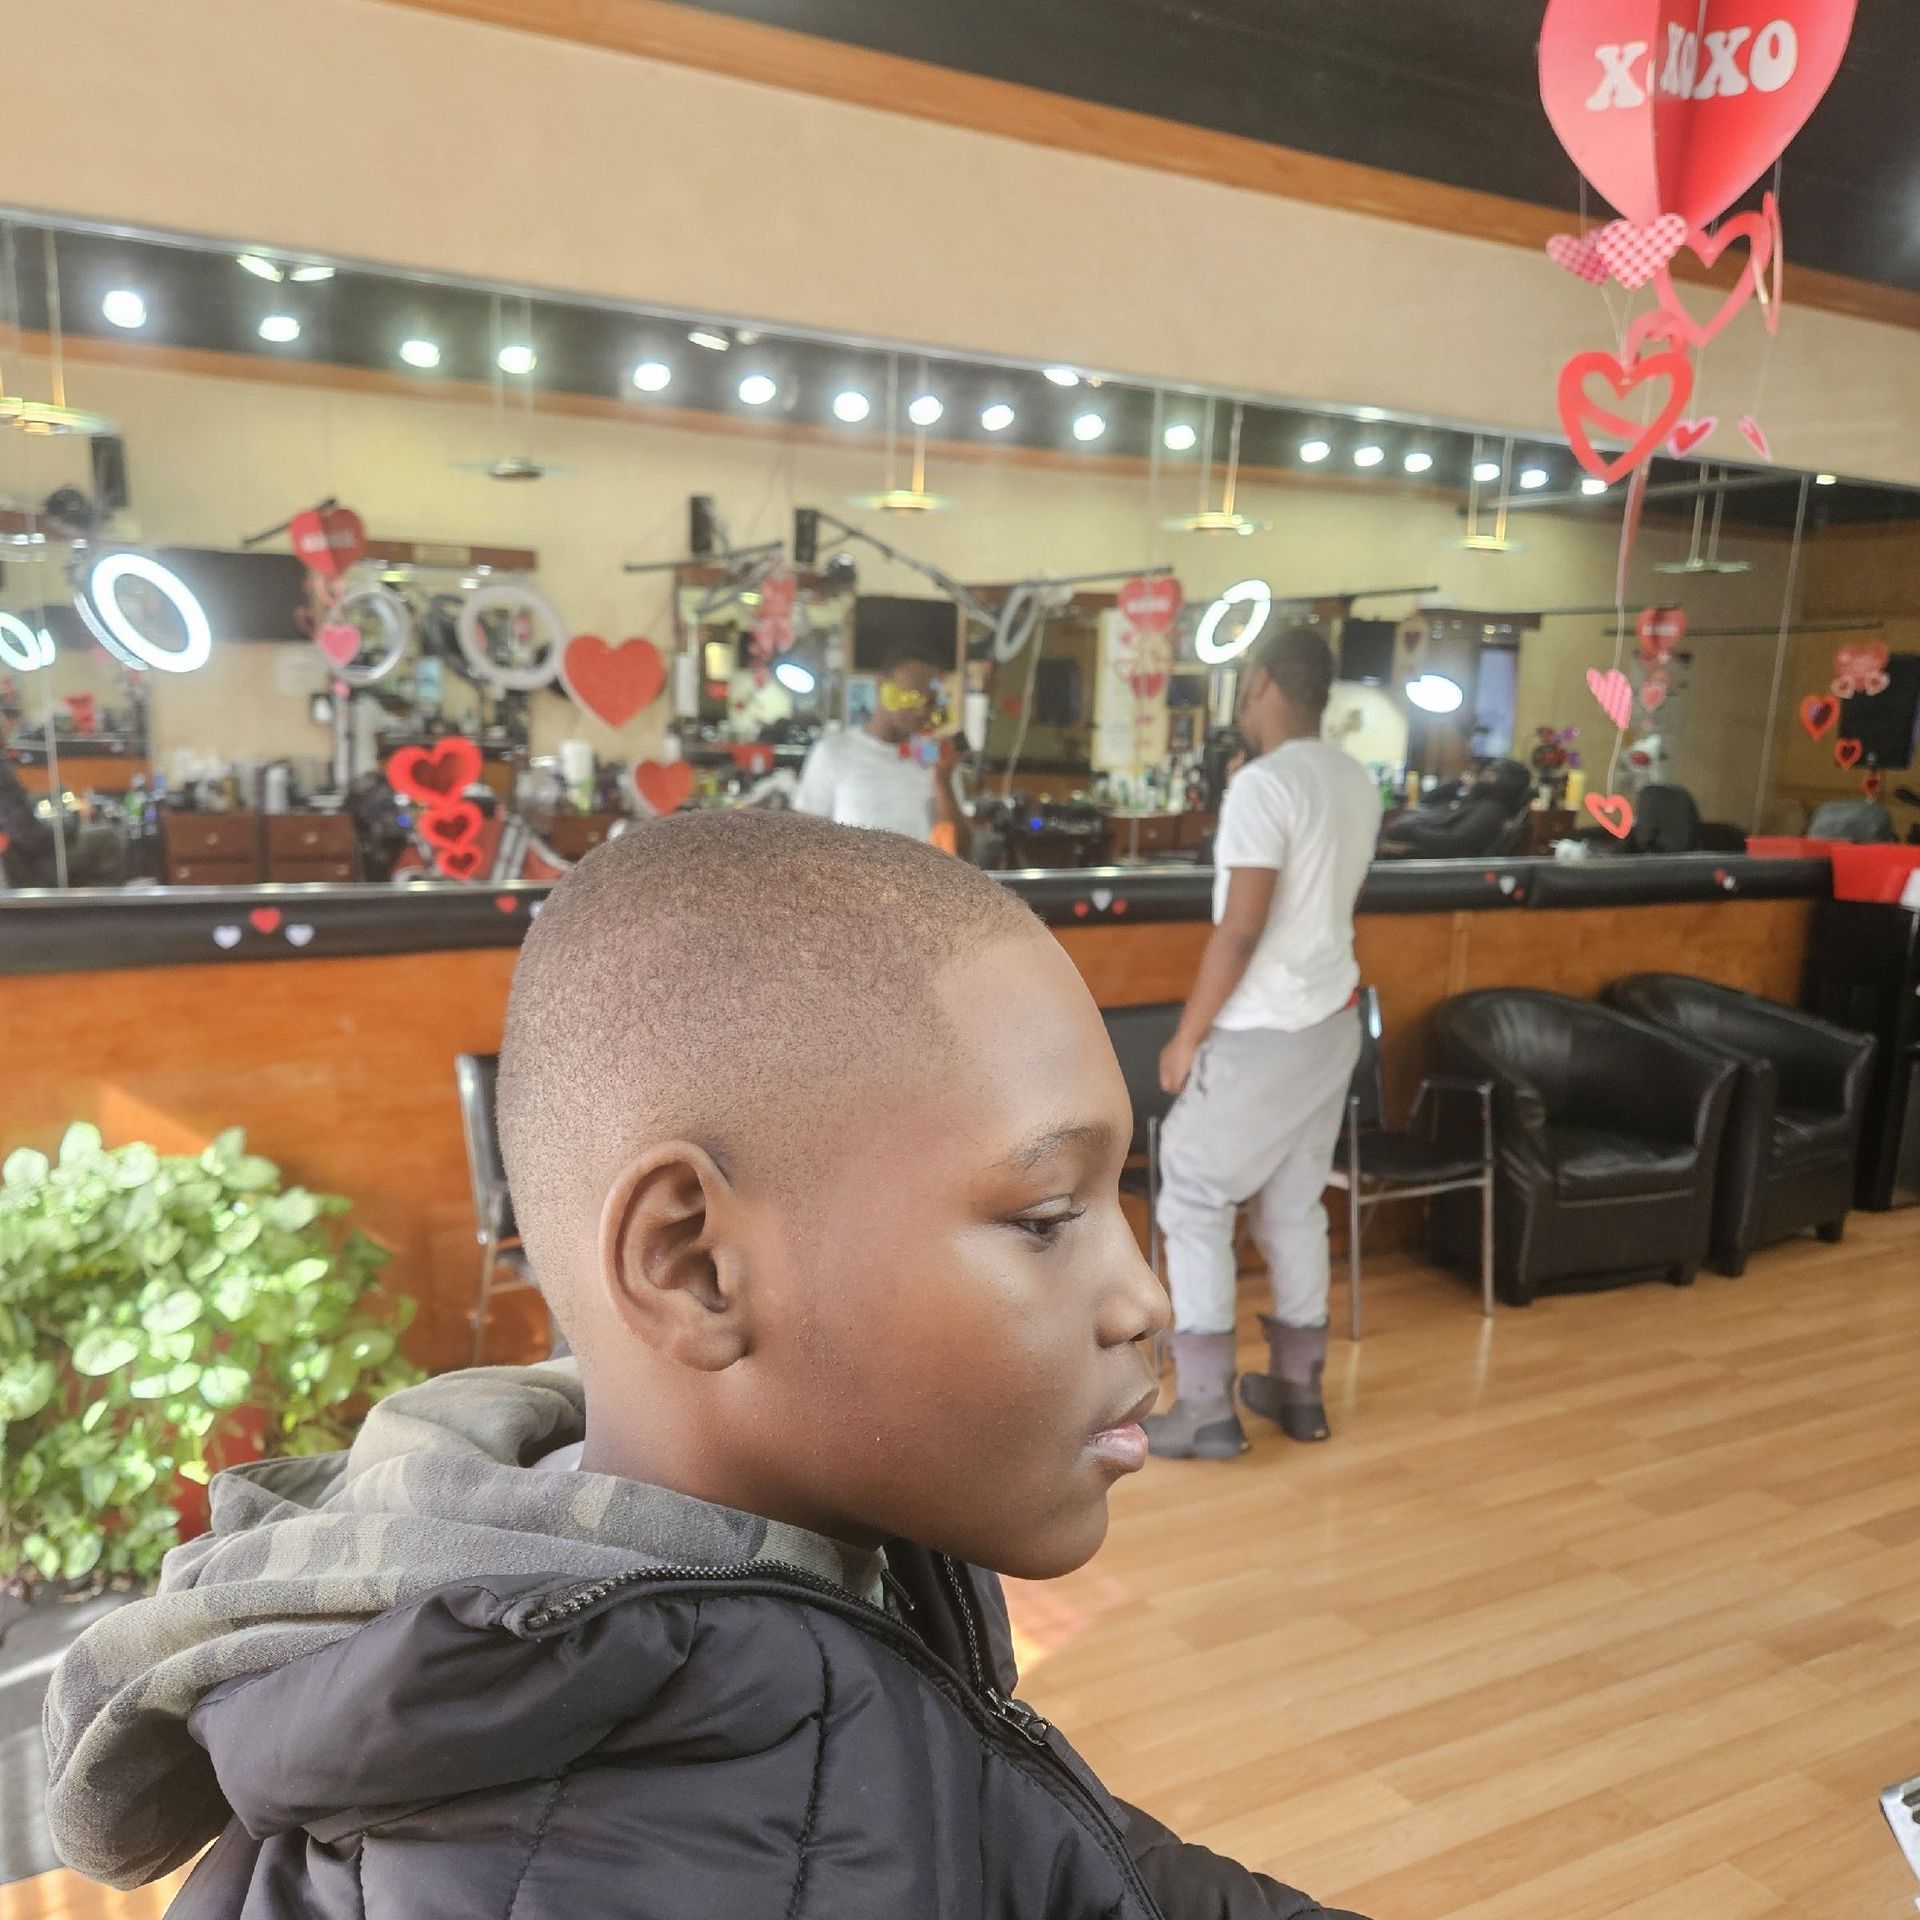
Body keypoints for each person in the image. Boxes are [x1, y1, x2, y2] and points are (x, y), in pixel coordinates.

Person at [43, 813, 1363, 1920]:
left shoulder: (814, 1565)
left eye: (1119, 1195)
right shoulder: (584, 1859)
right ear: (695, 1265)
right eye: (1045, 1217)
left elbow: (1043, 1850)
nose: (1144, 1297)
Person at [1145, 626, 1382, 1461]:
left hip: (1262, 1028)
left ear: (1264, 682)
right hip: (1331, 1021)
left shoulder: (1265, 785)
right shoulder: (1353, 779)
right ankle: (1299, 1392)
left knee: (1193, 1198)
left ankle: (1206, 1408)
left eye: (1245, 685)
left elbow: (1241, 931)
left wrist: (1187, 1036)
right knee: (1292, 1204)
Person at [795, 637, 970, 852]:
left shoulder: (939, 760)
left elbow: (961, 851)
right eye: (912, 697)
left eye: (930, 702)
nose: (921, 711)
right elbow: (807, 844)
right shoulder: (832, 754)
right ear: (881, 686)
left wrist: (943, 782)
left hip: (922, 875)